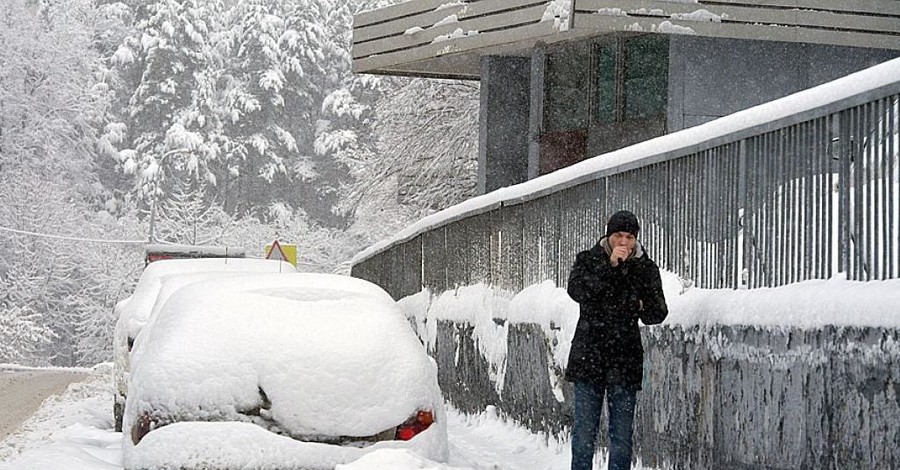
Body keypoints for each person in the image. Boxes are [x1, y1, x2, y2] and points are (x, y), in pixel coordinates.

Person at [565, 210, 668, 470]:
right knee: (584, 434)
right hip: (589, 357)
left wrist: (637, 303)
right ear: (608, 236)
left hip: (625, 359)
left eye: (630, 237)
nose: (624, 242)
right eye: (618, 236)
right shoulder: (589, 260)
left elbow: (658, 312)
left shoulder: (644, 268)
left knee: (621, 437)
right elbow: (578, 291)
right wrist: (610, 267)